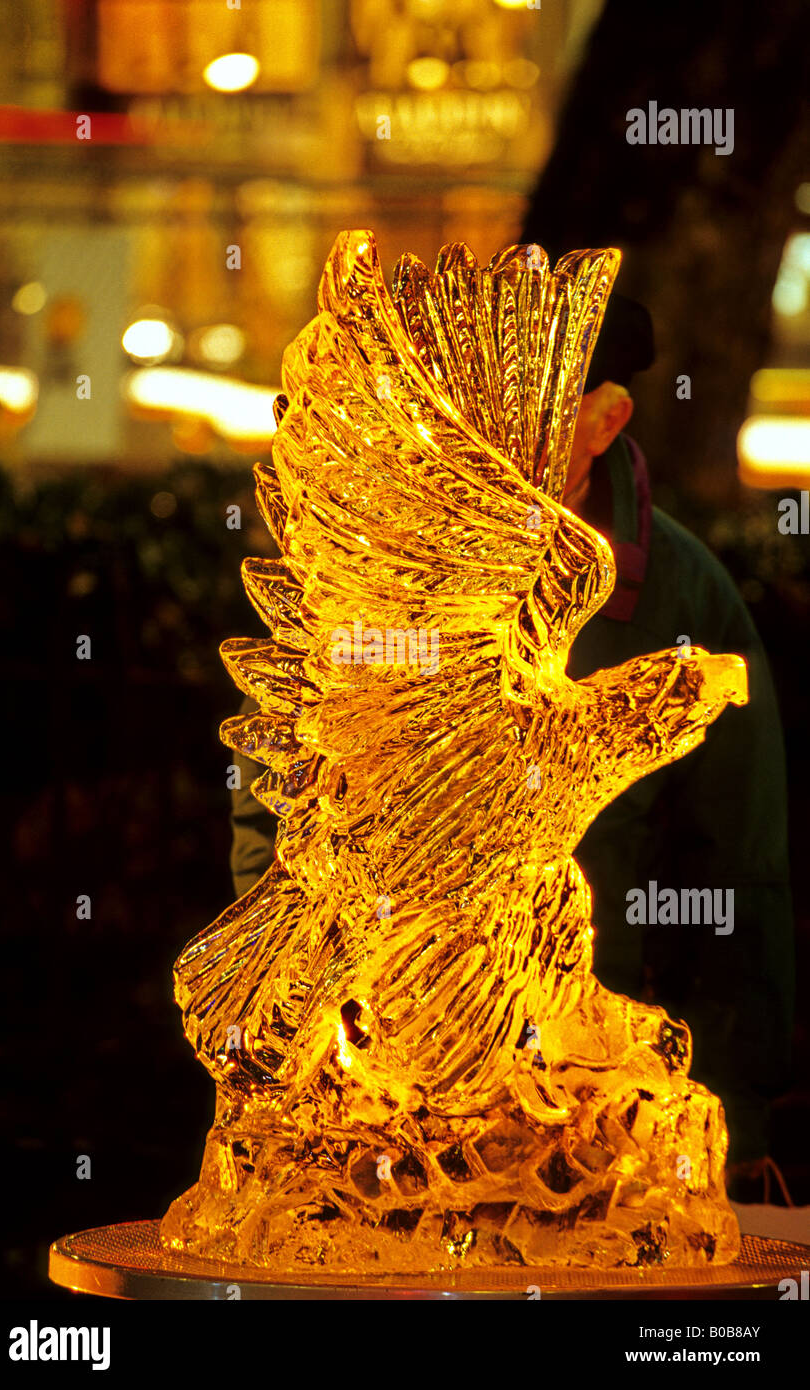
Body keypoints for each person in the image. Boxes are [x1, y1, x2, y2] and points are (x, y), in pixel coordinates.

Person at [228, 292, 794, 1197]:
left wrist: (736, 1112)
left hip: (575, 1084)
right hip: (379, 1044)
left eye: (532, 414)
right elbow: (282, 810)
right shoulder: (395, 573)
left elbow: (735, 876)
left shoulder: (678, 594)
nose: (490, 441)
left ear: (605, 421)